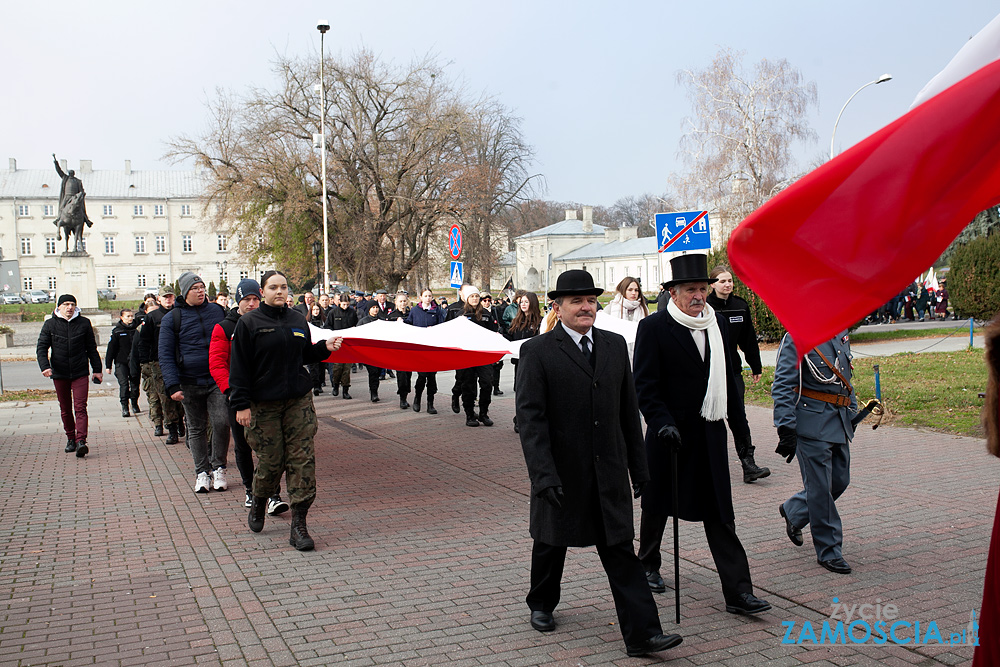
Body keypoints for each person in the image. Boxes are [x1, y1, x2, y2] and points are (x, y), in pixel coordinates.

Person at [515, 269, 682, 658]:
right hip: (561, 472)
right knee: (550, 544)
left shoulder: (612, 345)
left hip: (608, 472)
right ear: (558, 307)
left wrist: (639, 471)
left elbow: (628, 412)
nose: (586, 307)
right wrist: (543, 476)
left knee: (621, 552)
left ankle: (643, 634)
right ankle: (541, 603)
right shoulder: (537, 352)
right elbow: (531, 422)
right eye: (576, 301)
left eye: (591, 300)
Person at [633, 254, 770, 616]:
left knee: (720, 511)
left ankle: (738, 593)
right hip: (669, 433)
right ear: (673, 293)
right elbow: (645, 386)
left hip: (709, 430)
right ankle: (647, 563)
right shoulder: (655, 328)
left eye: (702, 289)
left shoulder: (719, 325)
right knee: (657, 504)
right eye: (691, 289)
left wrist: (736, 423)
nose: (699, 296)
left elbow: (725, 378)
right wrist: (661, 421)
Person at [228, 270, 343, 551]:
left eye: (284, 287)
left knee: (302, 460)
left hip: (297, 402)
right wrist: (241, 404)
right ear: (263, 292)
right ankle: (258, 501)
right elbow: (239, 367)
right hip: (263, 404)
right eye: (273, 288)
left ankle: (299, 525)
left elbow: (303, 353)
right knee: (271, 461)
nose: (279, 292)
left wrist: (323, 348)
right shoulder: (249, 323)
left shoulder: (296, 319)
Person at [772, 330, 857, 574]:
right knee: (820, 490)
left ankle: (794, 510)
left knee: (839, 480)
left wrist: (851, 410)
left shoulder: (840, 332)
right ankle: (829, 550)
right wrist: (785, 426)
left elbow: (845, 376)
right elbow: (783, 383)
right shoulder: (797, 336)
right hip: (811, 422)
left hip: (838, 419)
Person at [209, 279, 290, 516]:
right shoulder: (224, 327)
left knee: (270, 447)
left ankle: (273, 494)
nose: (253, 304)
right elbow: (217, 363)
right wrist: (232, 392)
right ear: (239, 301)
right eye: (247, 300)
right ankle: (250, 489)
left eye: (256, 298)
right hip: (238, 396)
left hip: (267, 396)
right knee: (243, 445)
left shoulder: (271, 320)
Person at [159, 272, 230, 494]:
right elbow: (166, 353)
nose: (201, 291)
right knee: (196, 428)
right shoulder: (173, 318)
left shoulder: (217, 311)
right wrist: (172, 385)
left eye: (202, 287)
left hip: (216, 379)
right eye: (195, 288)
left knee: (221, 422)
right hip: (188, 382)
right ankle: (202, 472)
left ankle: (219, 467)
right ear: (185, 292)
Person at [706, 265, 770, 484]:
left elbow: (749, 339)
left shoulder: (740, 306)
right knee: (708, 417)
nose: (727, 284)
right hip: (708, 371)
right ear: (712, 284)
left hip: (732, 370)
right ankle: (706, 465)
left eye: (730, 281)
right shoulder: (704, 308)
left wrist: (756, 366)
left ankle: (748, 464)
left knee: (738, 416)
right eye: (722, 281)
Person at [36, 294, 103, 457]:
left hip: (80, 371)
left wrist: (97, 369)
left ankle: (81, 441)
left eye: (72, 304)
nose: (69, 307)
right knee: (65, 408)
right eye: (66, 304)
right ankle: (70, 438)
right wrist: (45, 367)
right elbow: (42, 347)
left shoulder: (84, 323)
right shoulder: (50, 324)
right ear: (58, 307)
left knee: (80, 407)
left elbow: (91, 348)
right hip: (59, 372)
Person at [137, 284, 184, 443]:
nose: (169, 299)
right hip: (159, 362)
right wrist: (145, 364)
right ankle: (171, 428)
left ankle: (182, 423)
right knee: (165, 397)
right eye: (165, 297)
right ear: (159, 299)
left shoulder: (181, 313)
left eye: (171, 296)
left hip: (181, 360)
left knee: (184, 396)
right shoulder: (153, 317)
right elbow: (144, 342)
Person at [458, 287, 500, 427]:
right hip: (467, 356)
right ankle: (470, 415)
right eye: (472, 296)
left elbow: (494, 333)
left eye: (477, 296)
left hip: (483, 356)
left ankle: (483, 413)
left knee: (487, 384)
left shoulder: (486, 315)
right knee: (468, 386)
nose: (475, 299)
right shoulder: (461, 315)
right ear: (467, 299)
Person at [404, 288, 446, 414]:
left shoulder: (436, 310)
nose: (428, 298)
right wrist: (401, 323)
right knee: (422, 376)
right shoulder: (415, 310)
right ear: (421, 297)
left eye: (430, 296)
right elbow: (409, 324)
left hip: (432, 348)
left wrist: (434, 329)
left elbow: (442, 326)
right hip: (420, 348)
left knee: (432, 377)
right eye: (425, 296)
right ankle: (417, 399)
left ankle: (430, 403)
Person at [506, 291, 542, 433]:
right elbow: (509, 336)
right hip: (520, 363)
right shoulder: (517, 321)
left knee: (534, 391)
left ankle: (531, 418)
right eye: (521, 302)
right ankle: (519, 418)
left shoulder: (539, 322)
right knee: (520, 390)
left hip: (535, 363)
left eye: (526, 302)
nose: (523, 305)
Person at [105, 308, 141, 417]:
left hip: (134, 362)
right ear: (121, 318)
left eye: (131, 316)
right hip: (121, 362)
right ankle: (125, 406)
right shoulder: (117, 331)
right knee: (124, 385)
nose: (130, 318)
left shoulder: (137, 329)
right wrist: (108, 365)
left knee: (135, 384)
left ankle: (134, 402)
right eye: (127, 316)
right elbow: (111, 349)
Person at [325, 293, 357, 399]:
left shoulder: (352, 312)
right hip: (336, 343)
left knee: (346, 369)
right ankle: (335, 386)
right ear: (339, 302)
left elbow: (356, 326)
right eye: (344, 304)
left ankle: (345, 390)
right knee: (337, 368)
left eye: (347, 304)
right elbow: (327, 326)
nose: (345, 307)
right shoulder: (333, 312)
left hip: (348, 344)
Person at [386, 293, 414, 409]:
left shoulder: (410, 314)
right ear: (396, 303)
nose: (403, 304)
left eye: (404, 301)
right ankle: (402, 398)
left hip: (409, 349)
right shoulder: (392, 316)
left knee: (408, 375)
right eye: (400, 301)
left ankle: (405, 395)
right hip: (398, 350)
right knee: (401, 375)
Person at [357, 302, 384, 402]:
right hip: (368, 352)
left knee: (377, 373)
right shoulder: (363, 321)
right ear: (369, 309)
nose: (375, 309)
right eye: (373, 307)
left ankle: (375, 390)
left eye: (376, 307)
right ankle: (373, 393)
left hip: (380, 352)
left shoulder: (381, 321)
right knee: (372, 372)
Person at [481, 293, 506, 396]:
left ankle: (496, 386)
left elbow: (502, 322)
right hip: (484, 341)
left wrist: (501, 331)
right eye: (484, 300)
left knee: (497, 364)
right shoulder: (479, 312)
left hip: (496, 339)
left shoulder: (495, 310)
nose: (487, 302)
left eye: (488, 300)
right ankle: (487, 386)